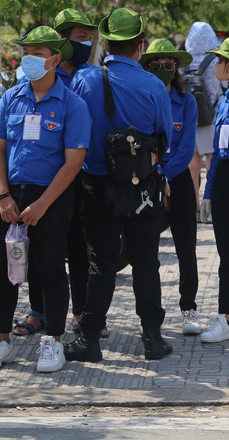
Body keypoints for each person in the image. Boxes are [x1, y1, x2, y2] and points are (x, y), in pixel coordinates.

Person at [0, 26, 90, 374]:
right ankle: (1, 340)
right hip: (10, 196)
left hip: (50, 199)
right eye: (26, 52)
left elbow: (74, 162)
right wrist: (4, 195)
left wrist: (42, 205)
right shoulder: (11, 96)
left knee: (52, 269)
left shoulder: (72, 104)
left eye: (38, 54)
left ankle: (52, 341)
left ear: (55, 59)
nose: (29, 59)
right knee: (5, 273)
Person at [63, 8, 173, 362]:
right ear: (141, 46)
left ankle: (90, 339)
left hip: (96, 185)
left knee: (101, 262)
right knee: (145, 261)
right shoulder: (155, 85)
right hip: (143, 186)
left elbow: (74, 131)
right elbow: (164, 138)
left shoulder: (84, 79)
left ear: (106, 43)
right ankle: (153, 339)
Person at [13, 9, 98, 337]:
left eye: (89, 38)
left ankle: (80, 312)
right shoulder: (35, 79)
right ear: (62, 42)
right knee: (39, 250)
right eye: (80, 37)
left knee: (78, 247)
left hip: (80, 175)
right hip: (41, 182)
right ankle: (38, 310)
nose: (86, 43)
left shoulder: (92, 77)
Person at [139, 39, 201, 335]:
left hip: (176, 182)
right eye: (156, 64)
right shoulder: (142, 99)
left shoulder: (186, 101)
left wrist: (164, 175)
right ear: (146, 66)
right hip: (148, 182)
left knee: (186, 248)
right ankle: (151, 316)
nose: (163, 69)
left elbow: (186, 148)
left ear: (176, 67)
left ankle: (188, 308)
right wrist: (155, 176)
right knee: (146, 249)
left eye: (169, 64)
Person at [199, 37, 229, 343]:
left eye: (221, 60)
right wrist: (208, 192)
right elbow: (219, 154)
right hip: (221, 183)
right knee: (225, 253)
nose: (217, 65)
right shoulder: (225, 100)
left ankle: (226, 316)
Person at [185, 22, 223, 224]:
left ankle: (195, 208)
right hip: (212, 116)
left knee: (193, 165)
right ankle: (213, 204)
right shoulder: (213, 60)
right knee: (212, 162)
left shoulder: (185, 61)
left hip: (191, 118)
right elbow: (218, 87)